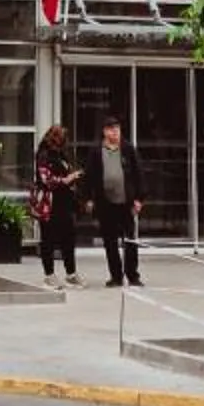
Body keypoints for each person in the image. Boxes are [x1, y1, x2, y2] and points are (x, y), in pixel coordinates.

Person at [84, 113, 144, 287]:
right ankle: (116, 276)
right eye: (111, 130)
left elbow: (138, 174)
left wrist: (139, 198)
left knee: (130, 240)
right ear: (104, 132)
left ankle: (133, 275)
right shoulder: (96, 151)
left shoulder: (127, 148)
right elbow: (90, 175)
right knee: (110, 241)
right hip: (105, 202)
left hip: (126, 201)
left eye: (117, 129)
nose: (115, 133)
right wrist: (88, 198)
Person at [32, 122, 81, 284]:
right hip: (49, 203)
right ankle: (49, 275)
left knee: (69, 238)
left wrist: (74, 177)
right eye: (61, 138)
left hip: (64, 202)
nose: (63, 142)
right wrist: (67, 179)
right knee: (48, 239)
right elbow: (46, 179)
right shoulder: (43, 154)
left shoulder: (61, 155)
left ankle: (71, 273)